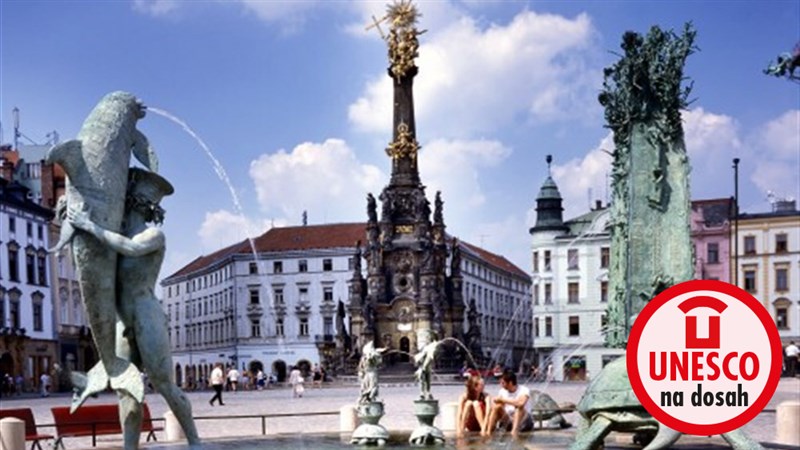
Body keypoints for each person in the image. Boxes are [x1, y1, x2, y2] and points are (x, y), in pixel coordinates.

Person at [68, 168, 200, 447]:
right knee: (126, 391)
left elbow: (130, 248)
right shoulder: (109, 237)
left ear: (141, 206)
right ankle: (130, 447)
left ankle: (195, 442)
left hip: (146, 314)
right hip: (121, 320)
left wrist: (91, 227)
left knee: (164, 385)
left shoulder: (152, 235)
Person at [483, 370, 533, 437]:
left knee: (518, 408)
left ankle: (514, 432)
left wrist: (502, 400)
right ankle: (488, 432)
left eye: (503, 383)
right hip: (508, 420)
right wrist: (497, 402)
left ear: (510, 383)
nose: (501, 385)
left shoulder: (524, 390)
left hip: (524, 421)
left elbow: (521, 403)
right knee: (497, 407)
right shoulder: (502, 391)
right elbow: (499, 405)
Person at [456, 371, 491, 437]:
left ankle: (482, 429)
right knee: (468, 403)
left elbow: (488, 413)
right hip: (471, 424)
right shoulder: (463, 397)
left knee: (476, 403)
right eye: (481, 385)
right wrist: (458, 430)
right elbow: (459, 414)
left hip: (483, 424)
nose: (484, 386)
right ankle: (462, 429)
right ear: (475, 387)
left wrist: (484, 429)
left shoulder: (486, 396)